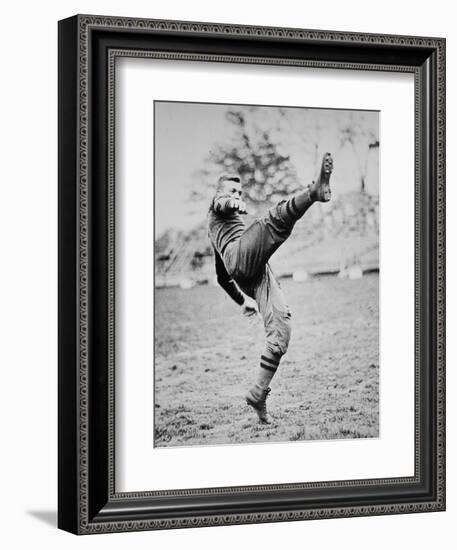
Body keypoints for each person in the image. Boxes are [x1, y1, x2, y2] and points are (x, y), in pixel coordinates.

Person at [207, 153, 334, 423]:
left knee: (281, 327)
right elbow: (222, 203)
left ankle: (258, 393)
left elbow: (222, 277)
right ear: (219, 193)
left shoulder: (225, 230)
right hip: (240, 259)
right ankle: (313, 192)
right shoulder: (217, 209)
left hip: (252, 273)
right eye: (232, 190)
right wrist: (232, 201)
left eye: (240, 191)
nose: (237, 194)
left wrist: (243, 302)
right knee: (271, 222)